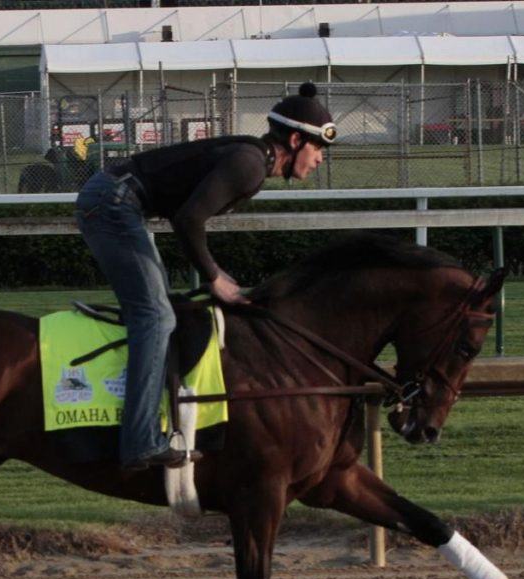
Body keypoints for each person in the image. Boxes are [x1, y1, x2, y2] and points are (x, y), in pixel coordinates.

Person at [75, 82, 337, 471]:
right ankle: (140, 443)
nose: (319, 161)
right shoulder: (249, 165)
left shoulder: (253, 160)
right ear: (296, 139)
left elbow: (187, 214)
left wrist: (212, 272)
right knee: (155, 316)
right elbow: (188, 219)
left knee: (162, 310)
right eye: (318, 150)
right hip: (113, 203)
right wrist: (213, 276)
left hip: (117, 200)